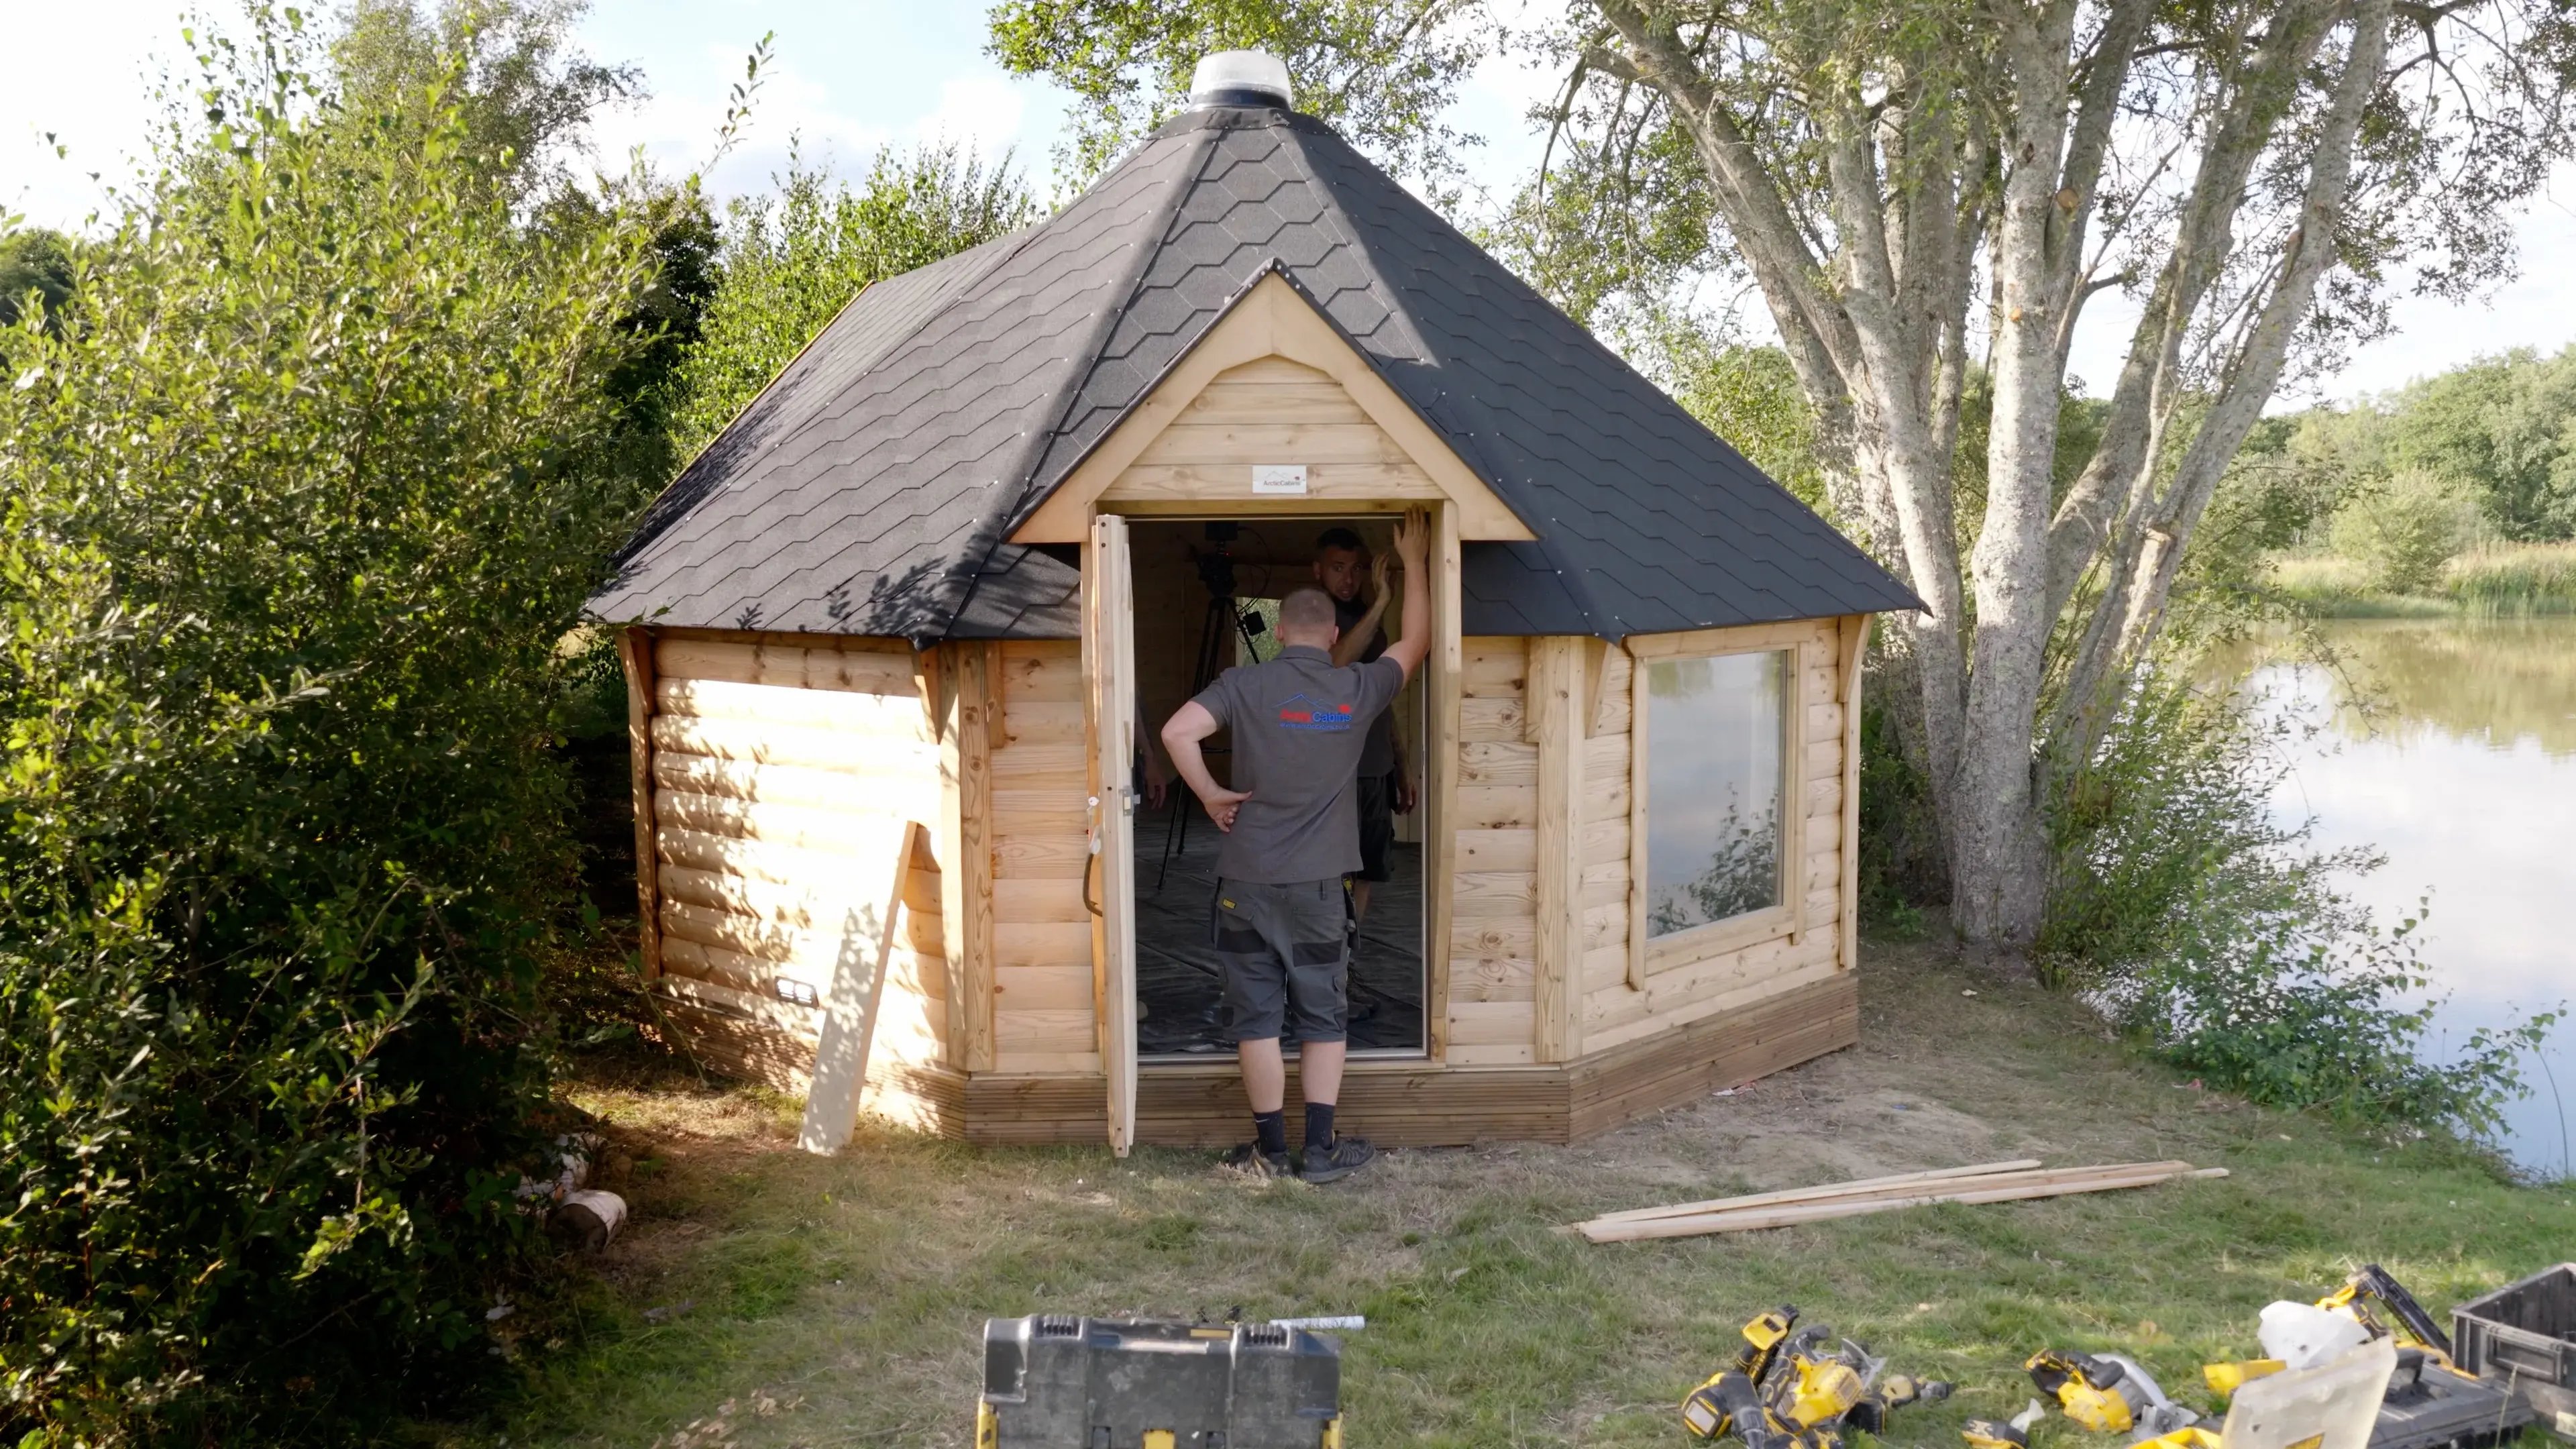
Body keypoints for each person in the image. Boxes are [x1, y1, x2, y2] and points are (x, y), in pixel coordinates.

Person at [1160, 509, 1432, 1183]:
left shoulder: (1244, 684)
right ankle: (1320, 1153)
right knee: (1322, 1016)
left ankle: (1268, 1154)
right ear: (1335, 633)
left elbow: (1175, 733)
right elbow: (1419, 640)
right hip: (1317, 891)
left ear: (1278, 632)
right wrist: (1416, 558)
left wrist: (1211, 794)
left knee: (1256, 1019)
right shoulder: (1353, 689)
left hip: (1245, 885)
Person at [1309, 527, 1416, 924]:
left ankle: (1347, 951)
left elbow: (1381, 701)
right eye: (1338, 568)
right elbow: (1334, 664)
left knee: (1368, 868)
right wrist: (1383, 602)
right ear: (1318, 570)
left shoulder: (1373, 625)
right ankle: (1324, 953)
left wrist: (1401, 766)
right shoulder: (1312, 617)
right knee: (1329, 868)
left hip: (1374, 767)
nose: (1349, 579)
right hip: (1332, 772)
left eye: (1357, 569)